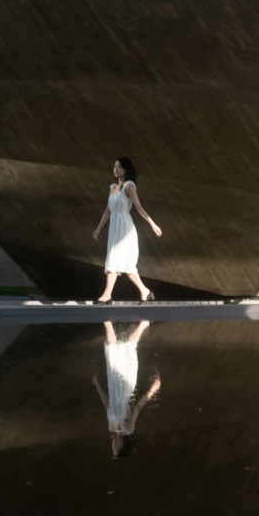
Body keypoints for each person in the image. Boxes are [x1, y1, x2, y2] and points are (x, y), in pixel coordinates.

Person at [91, 156, 162, 303]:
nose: (116, 170)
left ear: (126, 170)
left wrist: (152, 224)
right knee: (124, 264)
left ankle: (107, 295)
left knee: (114, 258)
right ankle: (145, 292)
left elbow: (139, 208)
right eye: (114, 167)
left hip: (124, 228)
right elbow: (107, 211)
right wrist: (99, 229)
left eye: (119, 167)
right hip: (114, 227)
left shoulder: (129, 186)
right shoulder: (113, 187)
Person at [91, 321, 161, 458]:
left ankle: (107, 319)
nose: (113, 446)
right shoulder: (128, 429)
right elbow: (137, 409)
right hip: (125, 387)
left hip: (113, 386)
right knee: (128, 349)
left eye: (113, 448)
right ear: (122, 446)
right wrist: (153, 390)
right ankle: (142, 325)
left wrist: (97, 385)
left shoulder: (112, 429)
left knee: (111, 350)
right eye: (115, 448)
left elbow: (107, 404)